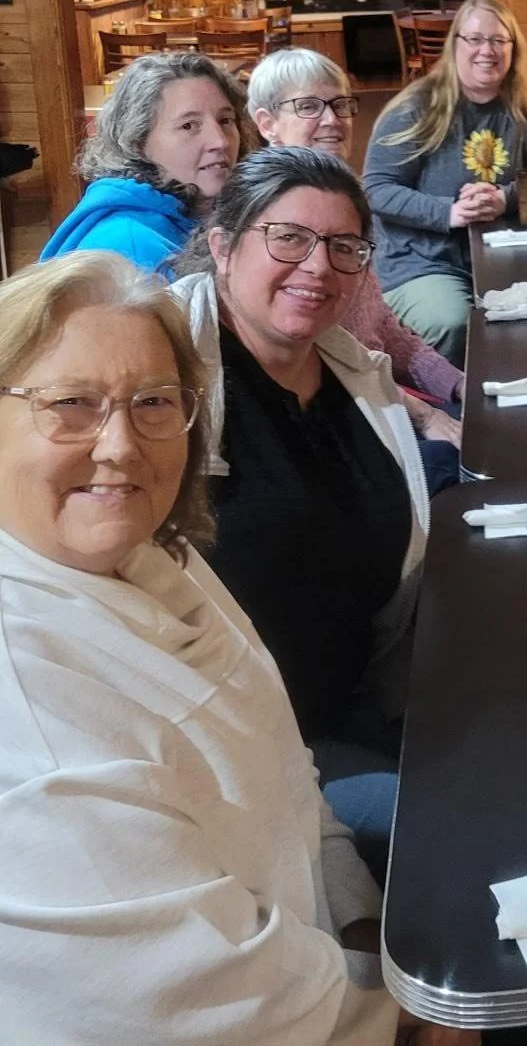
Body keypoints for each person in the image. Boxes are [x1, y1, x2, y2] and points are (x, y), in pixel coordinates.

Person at [0, 251, 400, 1043]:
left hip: (323, 964)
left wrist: (360, 923)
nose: (120, 446)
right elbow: (207, 1010)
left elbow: (289, 773)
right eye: (71, 404)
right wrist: (413, 1008)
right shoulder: (32, 728)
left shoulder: (157, 557)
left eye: (153, 402)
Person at [172, 148, 430, 870]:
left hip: (363, 700)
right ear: (223, 247)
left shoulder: (356, 377)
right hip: (247, 754)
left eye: (344, 247)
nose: (318, 266)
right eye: (288, 238)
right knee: (450, 824)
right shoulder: (169, 385)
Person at [249, 48, 462, 495]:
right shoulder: (267, 218)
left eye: (340, 104)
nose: (332, 120)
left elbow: (385, 330)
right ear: (267, 124)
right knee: (460, 467)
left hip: (380, 400)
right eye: (309, 106)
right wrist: (423, 415)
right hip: (336, 430)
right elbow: (324, 363)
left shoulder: (346, 198)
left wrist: (459, 385)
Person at [365, 0, 527, 364]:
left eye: (498, 40)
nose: (487, 50)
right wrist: (449, 212)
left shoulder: (523, 110)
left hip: (499, 257)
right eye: (475, 39)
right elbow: (377, 190)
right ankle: (451, 400)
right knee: (454, 322)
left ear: (513, 49)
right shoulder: (416, 108)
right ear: (455, 44)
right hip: (422, 262)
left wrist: (504, 198)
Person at [40, 52, 251, 275]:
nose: (220, 141)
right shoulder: (130, 249)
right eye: (188, 126)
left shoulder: (210, 213)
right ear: (137, 142)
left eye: (225, 120)